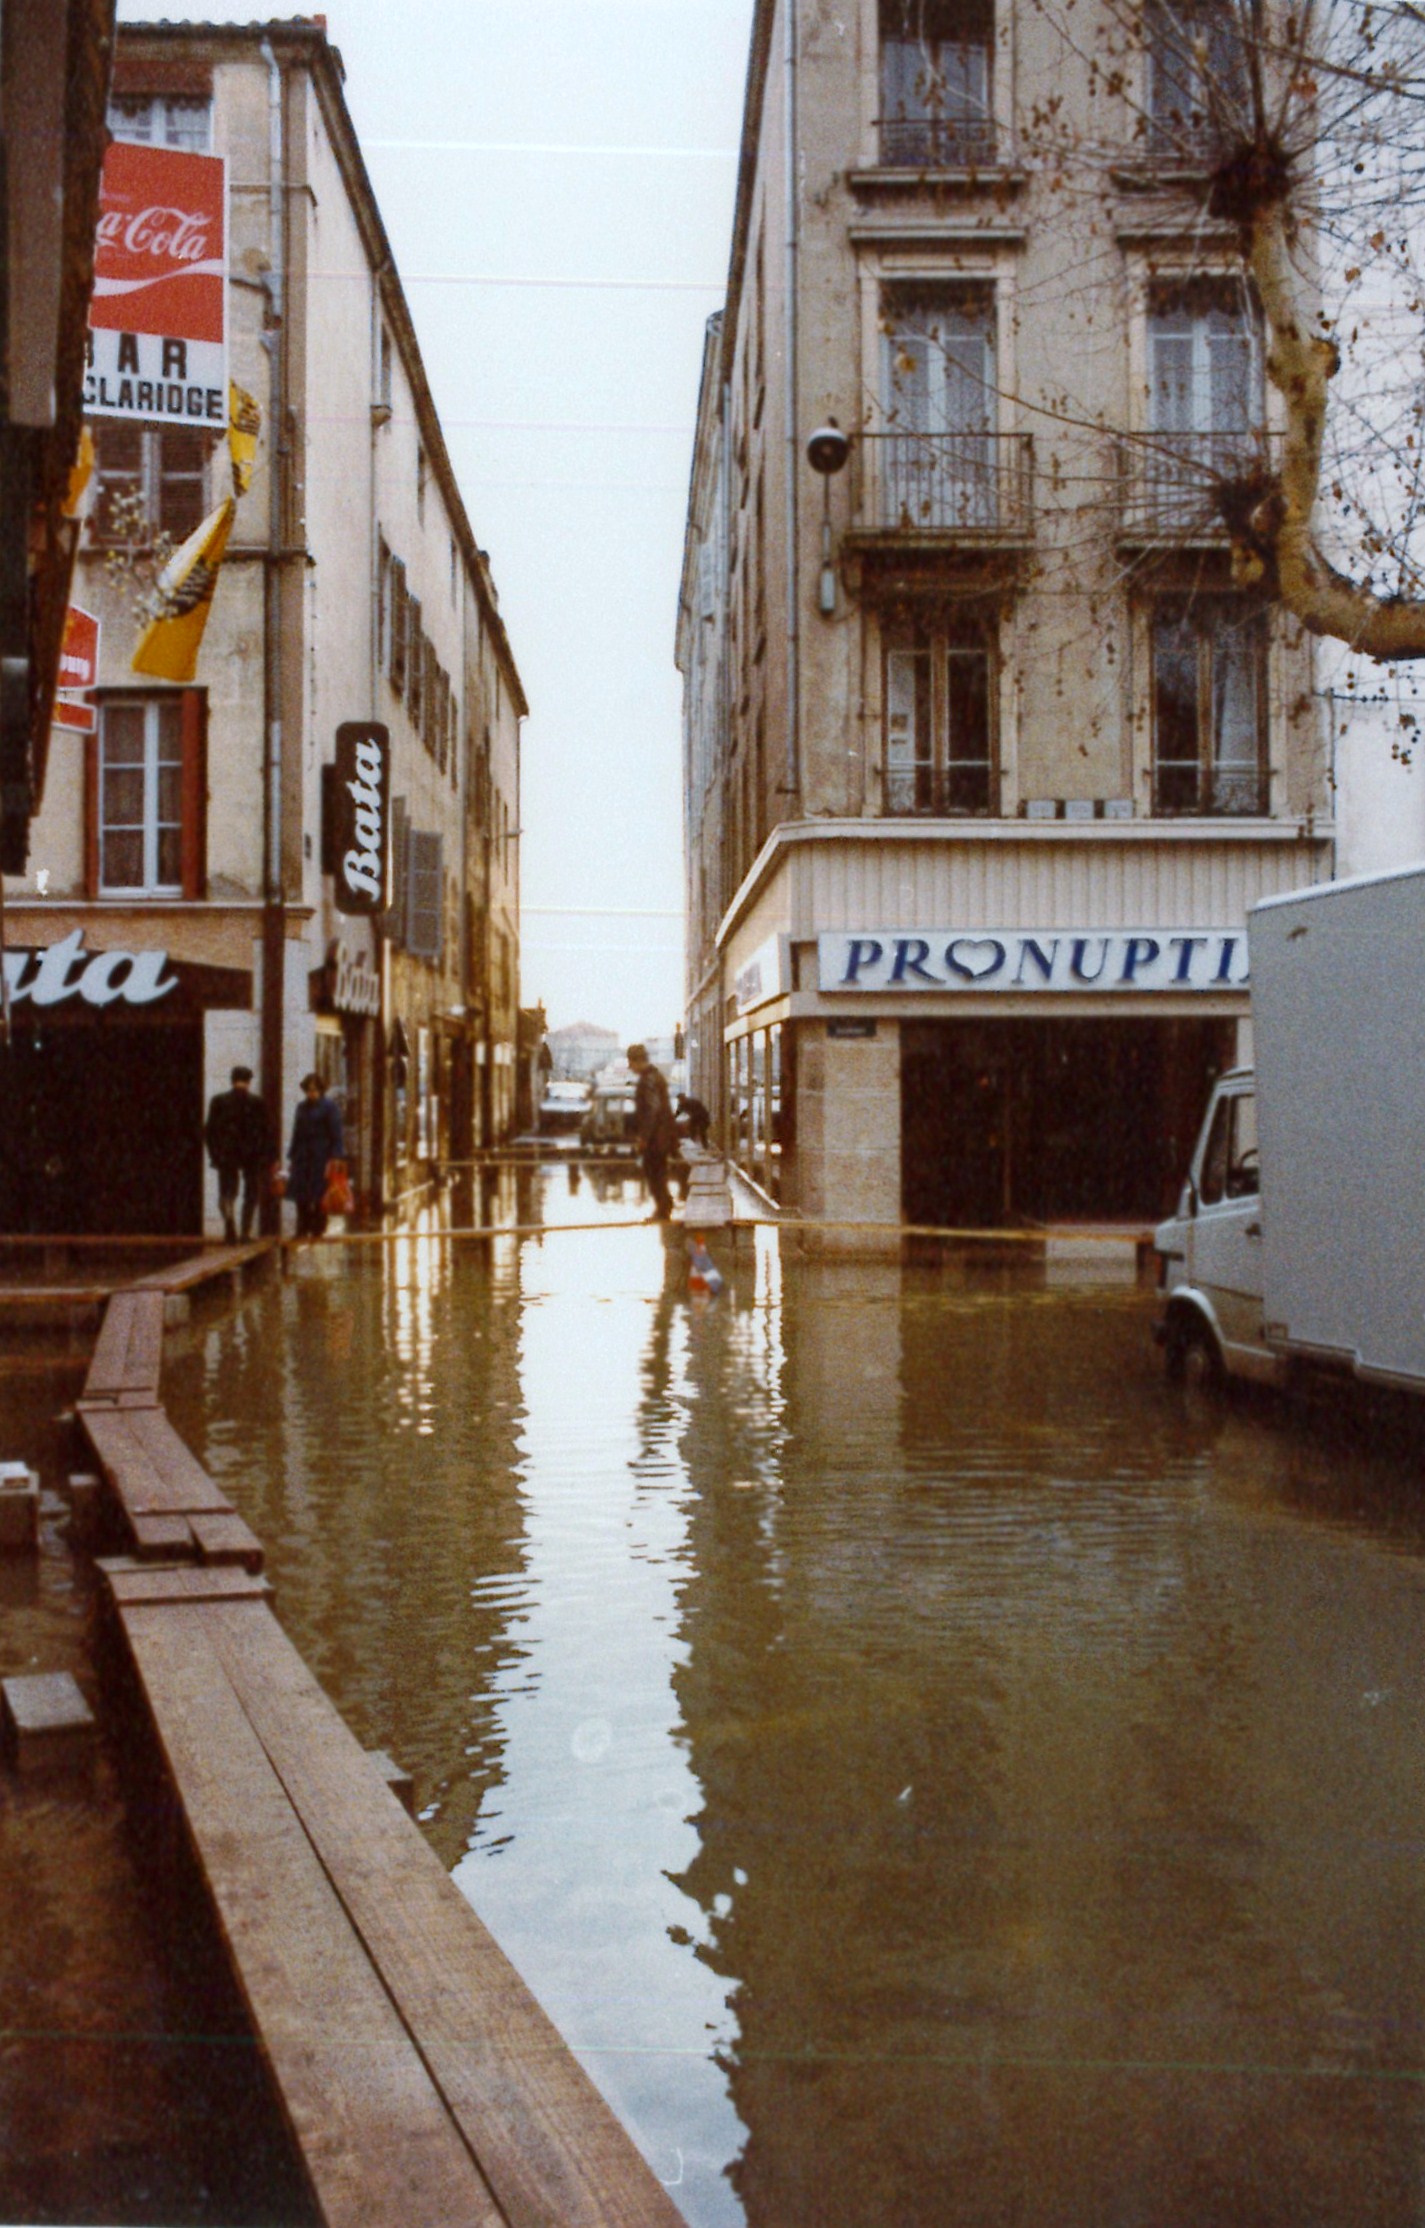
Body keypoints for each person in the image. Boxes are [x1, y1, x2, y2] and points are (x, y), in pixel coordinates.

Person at [203, 1065, 273, 1242]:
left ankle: (229, 1225)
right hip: (252, 1154)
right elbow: (267, 1132)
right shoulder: (257, 1102)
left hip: (226, 1154)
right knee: (251, 1193)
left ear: (232, 1080)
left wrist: (214, 1154)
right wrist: (269, 1156)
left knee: (227, 1192)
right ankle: (245, 1232)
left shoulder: (218, 1101)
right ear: (249, 1082)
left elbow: (209, 1131)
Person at [287, 1072, 344, 1239]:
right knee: (301, 1194)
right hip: (303, 1156)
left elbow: (336, 1133)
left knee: (319, 1193)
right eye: (309, 1090)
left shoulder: (330, 1108)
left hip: (321, 1156)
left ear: (321, 1090)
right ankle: (302, 1227)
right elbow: (296, 1132)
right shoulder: (301, 1108)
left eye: (315, 1090)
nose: (312, 1093)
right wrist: (293, 1155)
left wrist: (336, 1156)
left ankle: (318, 1227)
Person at [628, 1043, 678, 1221]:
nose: (630, 1067)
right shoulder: (654, 1076)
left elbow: (652, 1110)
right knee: (658, 1172)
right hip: (662, 1135)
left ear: (637, 1061)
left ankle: (663, 1209)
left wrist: (644, 1138)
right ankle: (664, 1206)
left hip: (657, 1137)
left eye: (631, 1062)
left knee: (654, 1172)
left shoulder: (648, 1079)